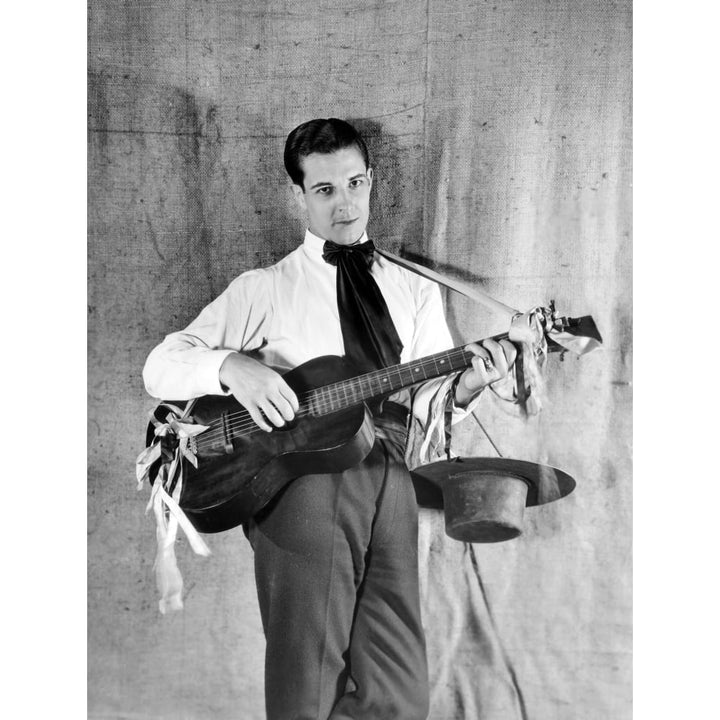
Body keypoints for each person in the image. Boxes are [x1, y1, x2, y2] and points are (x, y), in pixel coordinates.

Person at [143, 118, 516, 720]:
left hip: (391, 476)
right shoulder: (263, 288)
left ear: (371, 182)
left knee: (398, 689)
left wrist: (474, 380)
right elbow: (161, 366)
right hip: (302, 486)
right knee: (308, 680)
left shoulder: (413, 289)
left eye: (355, 183)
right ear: (298, 195)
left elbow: (425, 405)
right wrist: (234, 367)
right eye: (325, 189)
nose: (345, 204)